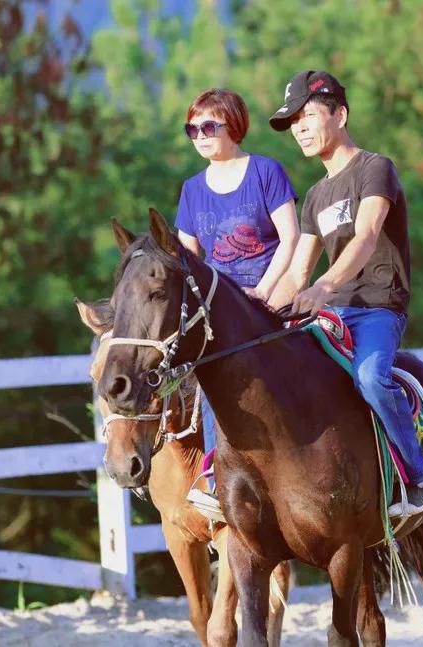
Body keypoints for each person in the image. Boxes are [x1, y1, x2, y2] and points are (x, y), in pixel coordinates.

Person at [266, 70, 423, 517]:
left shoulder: (375, 169)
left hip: (378, 307)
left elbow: (365, 235)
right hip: (334, 311)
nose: (299, 128)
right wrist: (260, 311)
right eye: (292, 122)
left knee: (370, 379)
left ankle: (417, 475)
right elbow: (296, 272)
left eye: (307, 116)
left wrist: (325, 285)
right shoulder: (315, 196)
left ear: (340, 114)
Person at [175, 88, 299, 516]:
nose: (200, 136)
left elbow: (291, 238)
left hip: (271, 295)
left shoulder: (265, 172)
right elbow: (187, 259)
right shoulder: (192, 190)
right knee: (210, 377)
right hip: (217, 309)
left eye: (208, 126)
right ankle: (216, 472)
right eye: (193, 129)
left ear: (234, 125)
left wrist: (264, 291)